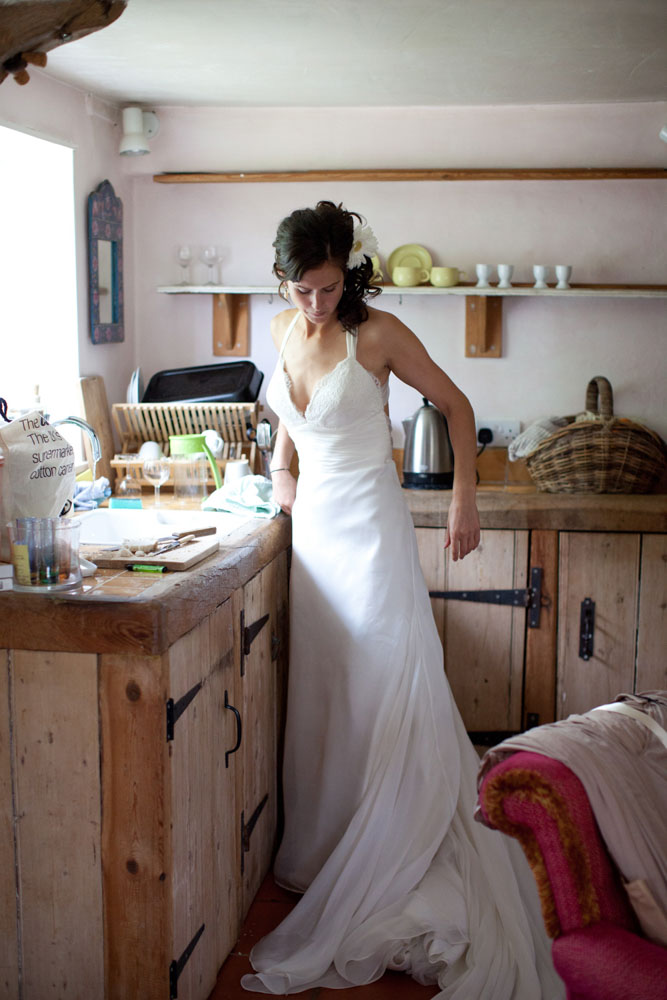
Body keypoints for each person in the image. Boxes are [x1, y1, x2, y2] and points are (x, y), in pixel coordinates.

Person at [242, 201, 564, 999]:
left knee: (385, 685)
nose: (313, 304)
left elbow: (455, 407)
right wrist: (280, 486)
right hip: (313, 538)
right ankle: (326, 852)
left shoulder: (376, 334)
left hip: (373, 537)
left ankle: (392, 848)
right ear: (282, 281)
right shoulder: (281, 332)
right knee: (327, 694)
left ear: (345, 273)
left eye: (324, 288)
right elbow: (287, 435)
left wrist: (465, 500)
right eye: (299, 289)